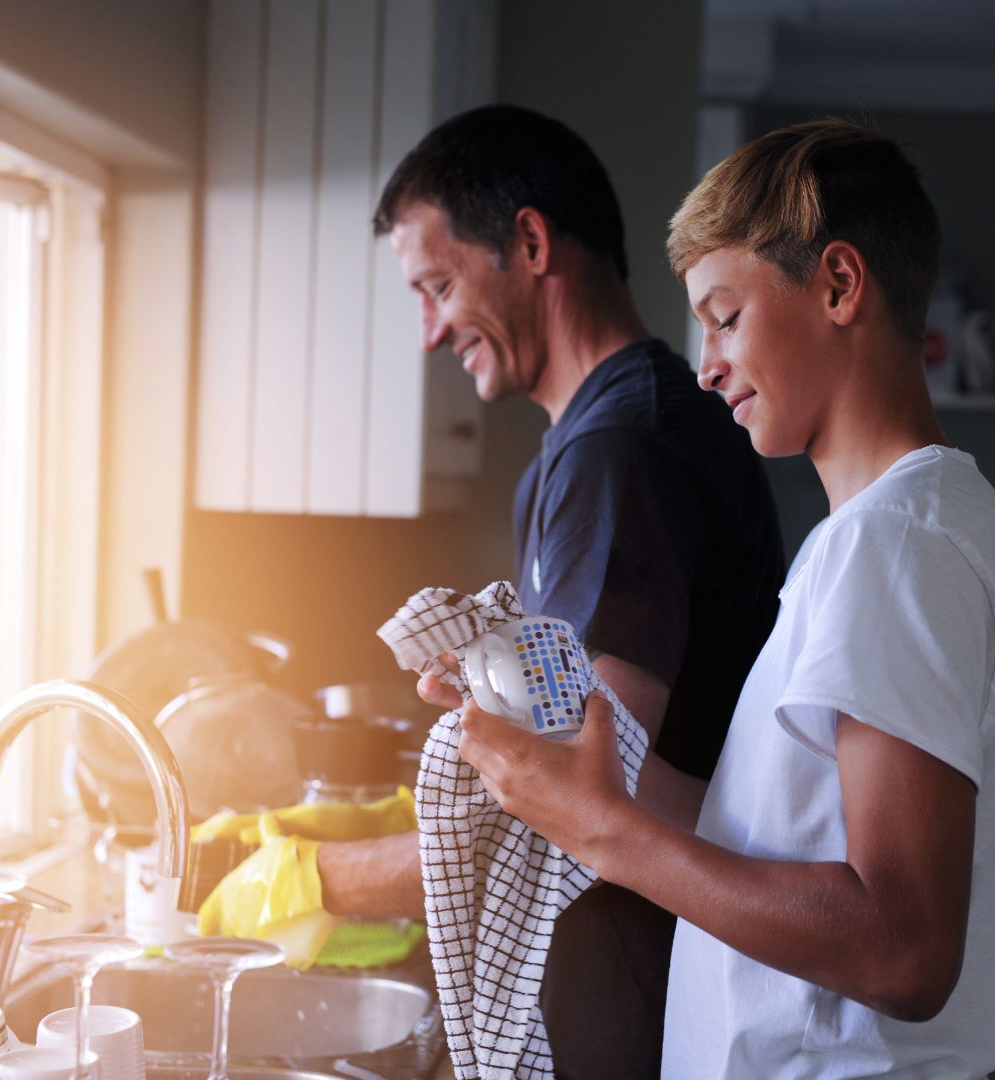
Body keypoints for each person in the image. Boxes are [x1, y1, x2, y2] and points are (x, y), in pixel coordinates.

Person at [458, 117, 995, 1078]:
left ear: (839, 285)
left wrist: (605, 834)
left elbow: (904, 948)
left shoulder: (894, 544)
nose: (704, 364)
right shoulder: (889, 533)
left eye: (726, 316)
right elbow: (767, 839)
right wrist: (578, 763)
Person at [316, 104, 783, 1078]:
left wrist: (324, 876)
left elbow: (578, 790)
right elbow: (563, 732)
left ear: (529, 242)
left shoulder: (620, 451)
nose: (430, 330)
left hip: (629, 1011)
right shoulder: (590, 445)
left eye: (438, 286)